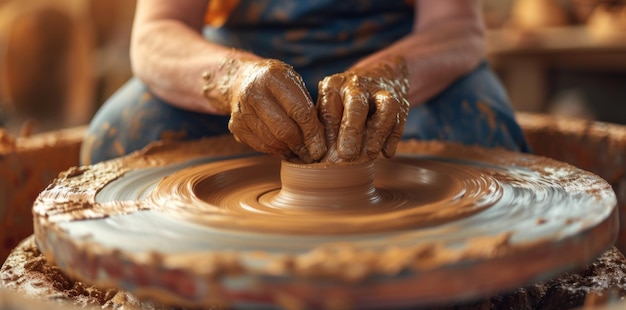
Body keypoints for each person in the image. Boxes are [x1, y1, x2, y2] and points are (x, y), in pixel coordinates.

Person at [80, 0, 530, 166]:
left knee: (483, 144)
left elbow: (456, 26)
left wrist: (391, 76)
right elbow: (158, 30)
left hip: (400, 51)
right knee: (119, 140)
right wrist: (234, 78)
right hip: (240, 56)